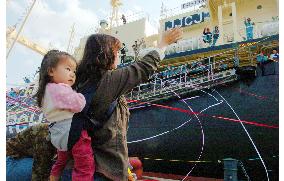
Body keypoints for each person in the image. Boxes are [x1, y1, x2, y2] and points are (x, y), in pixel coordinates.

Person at [70, 27, 182, 180]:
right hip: (104, 171)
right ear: (106, 53)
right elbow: (143, 68)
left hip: (87, 165)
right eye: (116, 51)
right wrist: (163, 43)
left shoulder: (82, 83)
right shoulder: (107, 81)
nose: (119, 55)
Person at [35, 50, 94, 181]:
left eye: (74, 71)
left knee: (61, 161)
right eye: (68, 69)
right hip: (72, 132)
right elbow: (78, 105)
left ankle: (54, 177)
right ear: (51, 71)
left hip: (57, 135)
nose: (72, 74)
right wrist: (81, 96)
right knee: (85, 165)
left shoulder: (45, 91)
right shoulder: (60, 89)